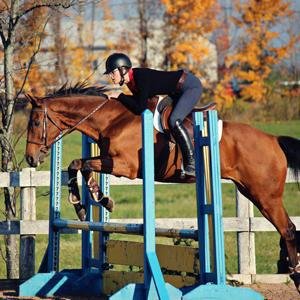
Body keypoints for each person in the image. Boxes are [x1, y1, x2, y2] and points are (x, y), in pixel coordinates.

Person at [104, 52, 203, 177]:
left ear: (122, 69)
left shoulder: (139, 77)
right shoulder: (132, 82)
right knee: (165, 119)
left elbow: (140, 108)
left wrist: (120, 96)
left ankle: (192, 163)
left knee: (173, 120)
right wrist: (120, 97)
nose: (111, 76)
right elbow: (140, 103)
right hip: (176, 92)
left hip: (190, 86)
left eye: (112, 72)